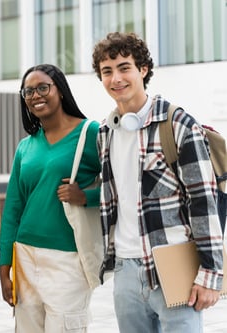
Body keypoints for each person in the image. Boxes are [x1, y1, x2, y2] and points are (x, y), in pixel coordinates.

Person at [92, 32, 223, 332]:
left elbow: (204, 202)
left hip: (173, 264)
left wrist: (211, 274)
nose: (116, 78)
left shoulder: (178, 125)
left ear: (143, 69)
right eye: (107, 71)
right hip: (125, 269)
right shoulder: (105, 132)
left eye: (124, 67)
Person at [0, 64, 101, 332]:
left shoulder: (91, 133)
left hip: (68, 258)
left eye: (43, 87)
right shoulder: (26, 145)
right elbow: (13, 209)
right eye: (28, 91)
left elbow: (123, 189)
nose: (35, 95)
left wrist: (85, 197)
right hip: (24, 256)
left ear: (61, 90)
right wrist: (4, 267)